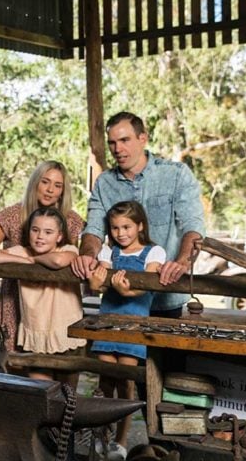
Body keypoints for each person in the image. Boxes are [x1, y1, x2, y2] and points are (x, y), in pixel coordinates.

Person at [71, 112, 205, 319]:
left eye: (124, 140)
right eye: (112, 143)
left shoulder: (177, 174)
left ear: (143, 138)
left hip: (165, 294)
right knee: (114, 349)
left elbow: (193, 226)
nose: (118, 149)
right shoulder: (104, 182)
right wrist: (87, 254)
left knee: (165, 351)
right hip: (119, 298)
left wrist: (181, 262)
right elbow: (94, 230)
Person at [0, 161, 85, 351]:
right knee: (19, 365)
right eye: (45, 182)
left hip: (58, 303)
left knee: (65, 366)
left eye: (57, 185)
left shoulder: (72, 221)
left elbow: (74, 261)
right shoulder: (12, 215)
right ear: (35, 182)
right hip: (17, 299)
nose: (50, 190)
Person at [87, 201, 166, 456]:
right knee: (105, 382)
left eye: (127, 227)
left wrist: (125, 289)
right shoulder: (109, 253)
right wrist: (96, 282)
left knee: (126, 385)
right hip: (107, 323)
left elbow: (149, 284)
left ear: (140, 225)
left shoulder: (153, 253)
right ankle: (101, 435)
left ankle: (120, 442)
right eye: (115, 228)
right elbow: (98, 284)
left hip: (134, 327)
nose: (121, 233)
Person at [0, 207, 85, 380]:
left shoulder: (68, 249)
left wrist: (32, 261)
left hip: (66, 332)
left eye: (48, 232)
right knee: (41, 394)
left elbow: (58, 261)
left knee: (68, 396)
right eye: (35, 230)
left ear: (59, 236)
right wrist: (21, 259)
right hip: (36, 332)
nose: (40, 236)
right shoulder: (22, 252)